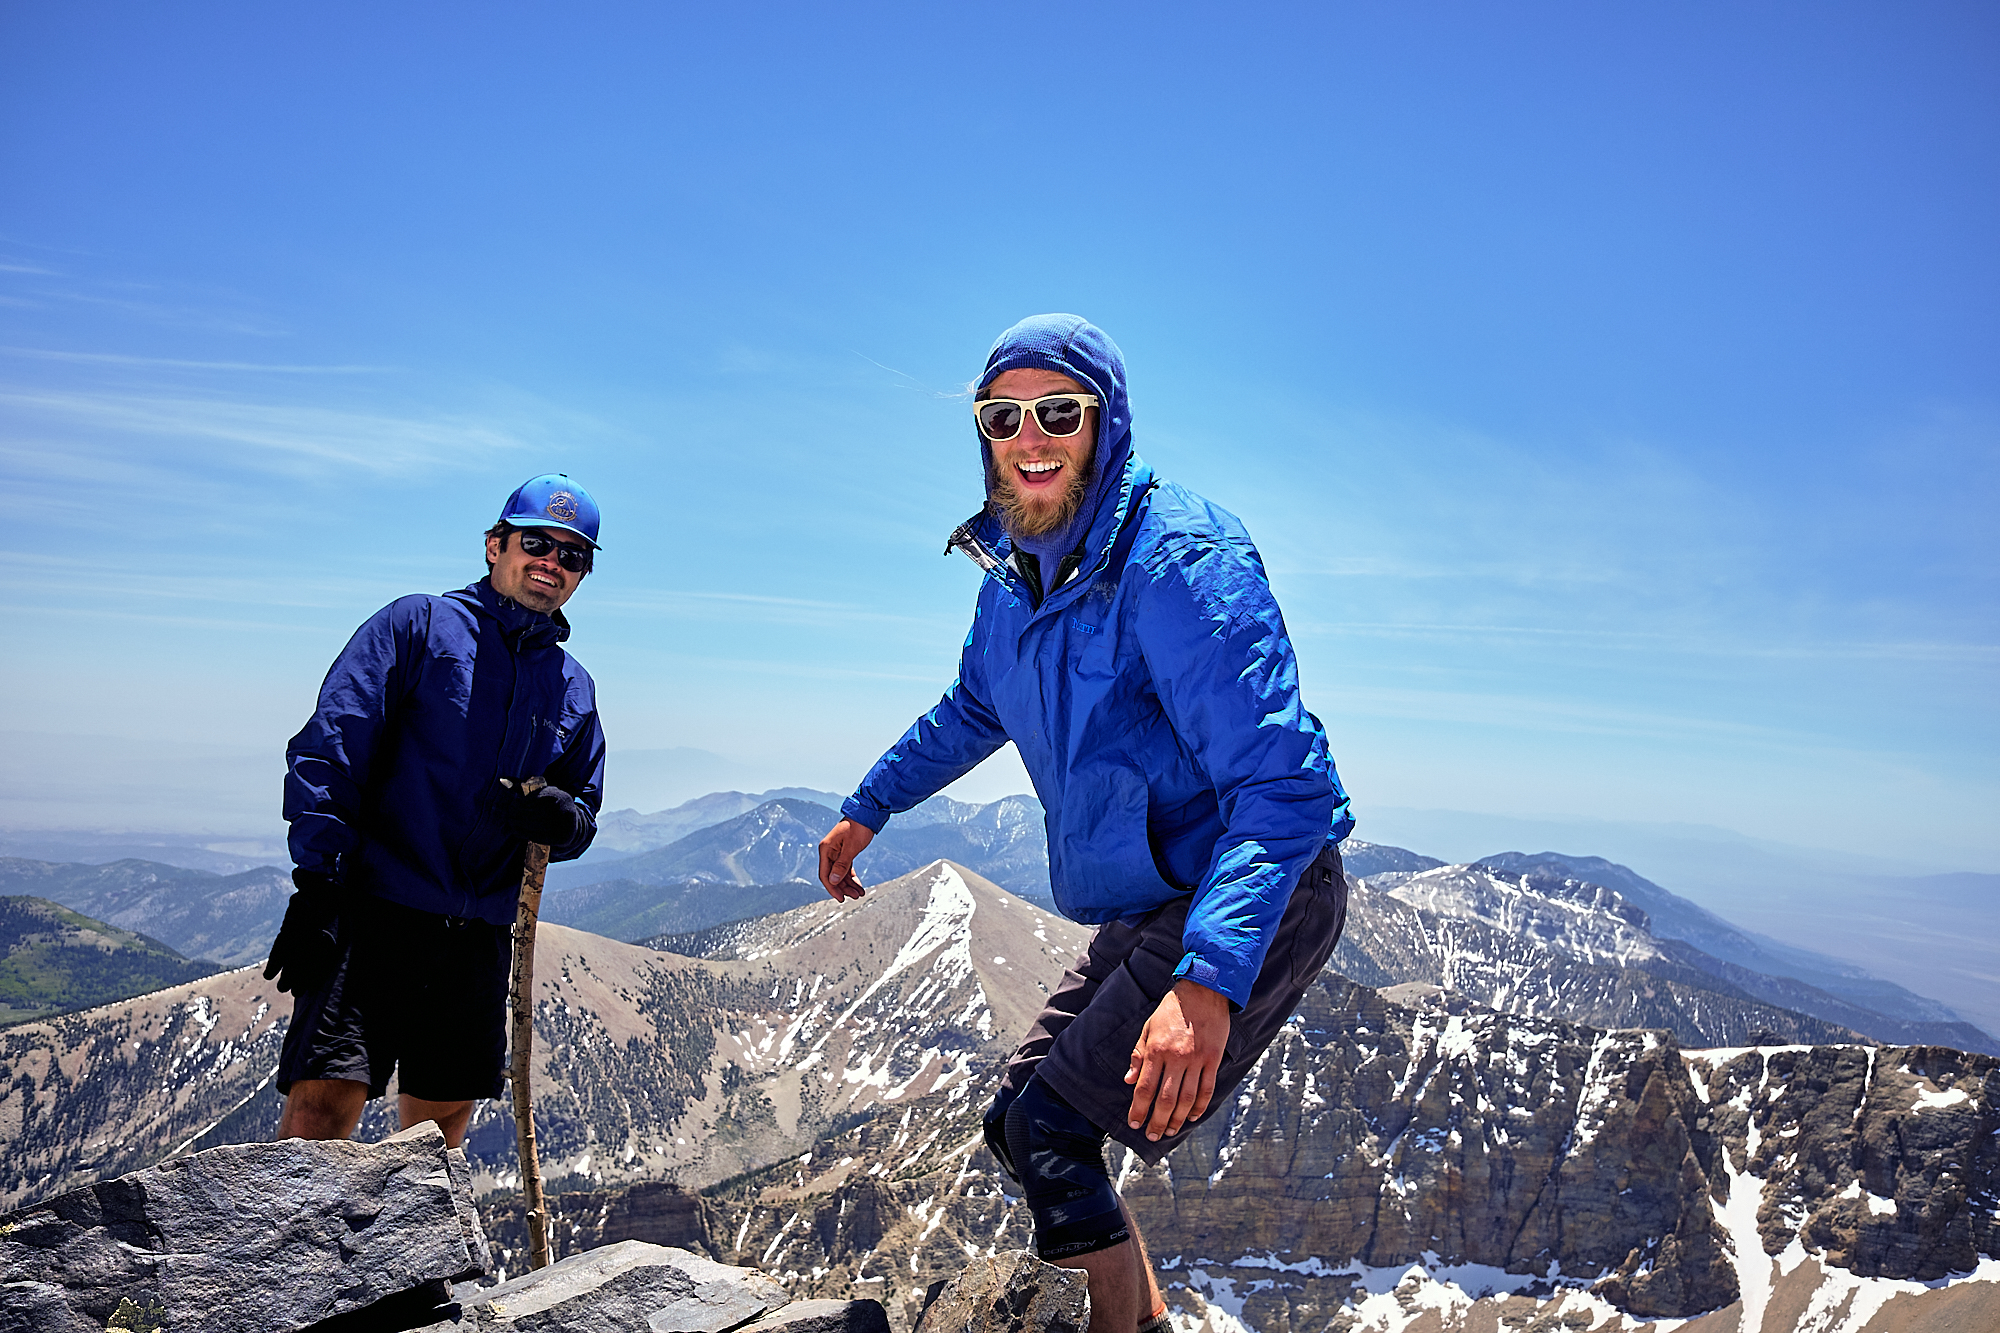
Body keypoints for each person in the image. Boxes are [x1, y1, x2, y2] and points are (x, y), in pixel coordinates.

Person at [818, 315, 1353, 1333]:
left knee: (1057, 1126)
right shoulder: (1012, 578)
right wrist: (868, 807)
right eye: (1002, 415)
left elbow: (1281, 786)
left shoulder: (1179, 561)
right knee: (1021, 1125)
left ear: (1102, 427)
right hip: (1157, 889)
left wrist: (1207, 981)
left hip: (1254, 891)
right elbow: (970, 708)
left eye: (1056, 412)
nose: (1029, 437)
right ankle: (1138, 1322)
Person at [265, 473, 608, 1150]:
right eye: (537, 542)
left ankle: (407, 1259)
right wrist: (316, 882)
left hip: (476, 936)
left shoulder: (572, 686)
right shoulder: (417, 626)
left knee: (436, 1137)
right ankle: (284, 1255)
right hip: (374, 914)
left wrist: (562, 819)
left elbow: (583, 805)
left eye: (572, 556)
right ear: (494, 545)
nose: (552, 563)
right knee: (319, 1118)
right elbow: (333, 745)